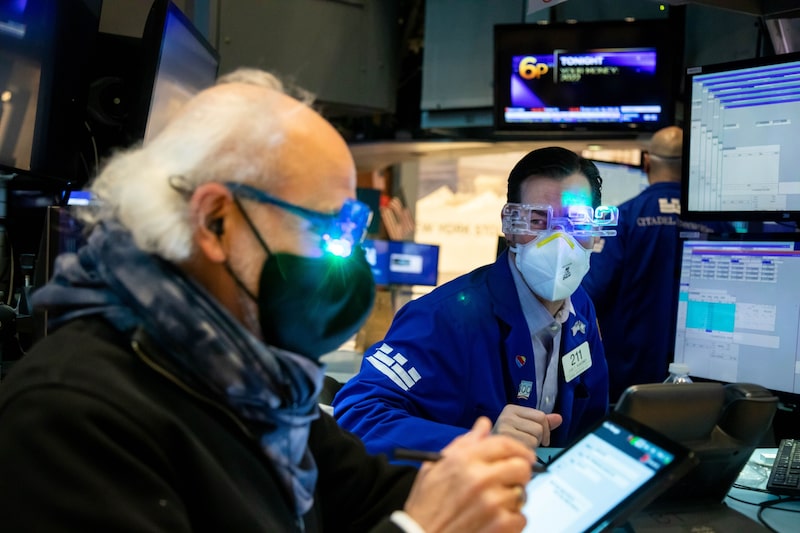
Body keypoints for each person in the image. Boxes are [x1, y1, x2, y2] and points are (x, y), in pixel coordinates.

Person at [0, 68, 539, 532]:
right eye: (326, 227)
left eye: (350, 231)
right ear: (215, 221)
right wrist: (420, 527)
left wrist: (478, 486)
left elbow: (367, 490)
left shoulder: (257, 381)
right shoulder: (71, 415)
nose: (341, 258)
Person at [333, 147, 613, 457]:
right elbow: (358, 416)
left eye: (577, 222)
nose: (561, 243)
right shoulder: (443, 317)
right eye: (538, 221)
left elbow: (592, 418)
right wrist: (476, 444)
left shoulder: (580, 310)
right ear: (510, 226)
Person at [581, 125, 733, 403]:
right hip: (704, 382)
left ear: (647, 162)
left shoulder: (623, 218)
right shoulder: (720, 225)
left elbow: (590, 293)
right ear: (692, 167)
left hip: (630, 379)